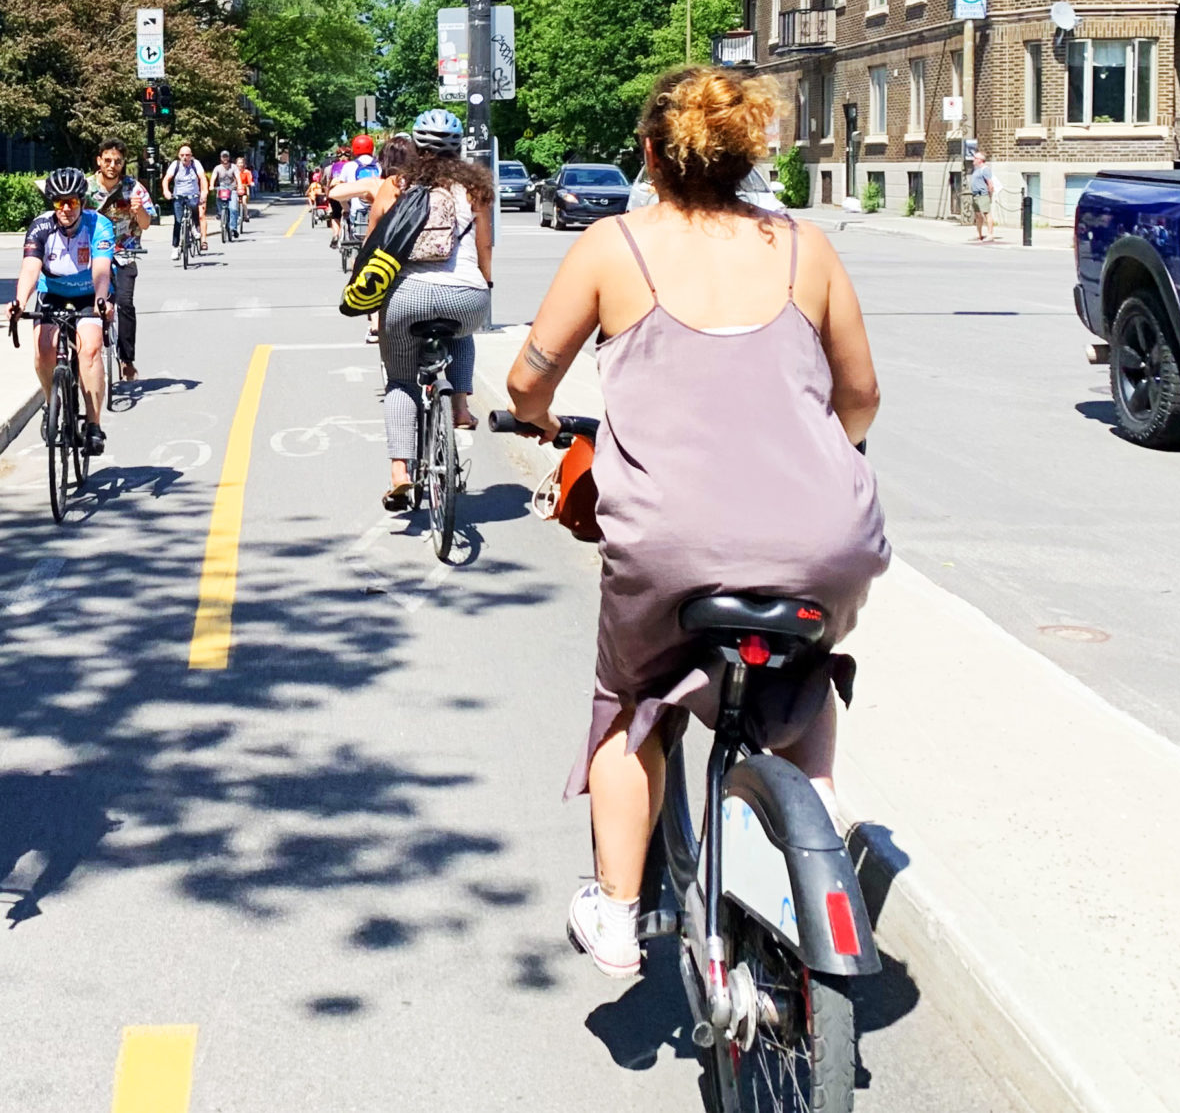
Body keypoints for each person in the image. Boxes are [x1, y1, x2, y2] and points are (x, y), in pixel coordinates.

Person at [502, 66, 887, 980]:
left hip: (672, 541)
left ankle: (617, 909)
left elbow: (527, 381)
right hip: (824, 533)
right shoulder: (807, 247)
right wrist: (814, 453)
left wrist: (545, 421)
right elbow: (861, 397)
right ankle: (818, 802)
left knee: (632, 705)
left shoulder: (611, 247)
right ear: (747, 155)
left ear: (648, 156)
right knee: (809, 659)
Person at [335, 112, 495, 509]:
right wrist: (484, 285)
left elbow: (373, 245)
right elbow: (486, 248)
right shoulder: (474, 188)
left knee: (401, 383)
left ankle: (399, 473)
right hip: (466, 295)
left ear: (416, 150)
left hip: (406, 298)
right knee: (463, 332)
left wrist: (370, 299)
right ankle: (459, 406)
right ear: (457, 150)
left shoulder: (394, 186)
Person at [15, 168, 115, 456]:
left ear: (82, 201)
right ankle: (52, 403)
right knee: (43, 350)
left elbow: (101, 269)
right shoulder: (40, 227)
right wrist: (20, 302)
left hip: (88, 293)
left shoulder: (99, 225)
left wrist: (100, 300)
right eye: (60, 203)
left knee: (90, 350)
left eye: (72, 201)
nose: (67, 209)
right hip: (53, 293)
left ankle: (93, 424)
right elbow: (31, 269)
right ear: (52, 204)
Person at [93, 141, 154, 381]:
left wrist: (138, 210)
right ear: (99, 161)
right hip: (93, 256)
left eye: (117, 161)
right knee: (89, 307)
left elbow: (146, 224)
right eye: (107, 160)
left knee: (125, 304)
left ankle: (126, 360)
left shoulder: (134, 188)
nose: (112, 165)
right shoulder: (86, 189)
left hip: (125, 254)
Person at [162, 143, 209, 255]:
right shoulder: (175, 164)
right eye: (182, 155)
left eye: (187, 155)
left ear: (191, 156)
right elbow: (166, 179)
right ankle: (175, 247)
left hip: (193, 194)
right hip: (179, 195)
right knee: (178, 221)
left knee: (194, 206)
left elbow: (202, 178)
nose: (185, 157)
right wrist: (166, 191)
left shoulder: (195, 164)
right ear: (179, 155)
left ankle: (195, 227)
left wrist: (204, 192)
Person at [211, 152, 243, 241]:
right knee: (218, 198)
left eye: (226, 157)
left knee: (233, 208)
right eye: (223, 157)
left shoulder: (233, 167)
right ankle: (221, 213)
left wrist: (239, 185)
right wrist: (211, 185)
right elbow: (213, 177)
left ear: (229, 157)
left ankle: (233, 228)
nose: (225, 158)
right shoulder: (217, 168)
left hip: (231, 189)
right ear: (221, 158)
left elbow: (238, 177)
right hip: (222, 188)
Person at [969, 153, 998, 242]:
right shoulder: (976, 170)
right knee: (978, 215)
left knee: (986, 214)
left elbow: (990, 183)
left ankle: (990, 234)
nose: (973, 159)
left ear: (980, 160)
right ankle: (979, 234)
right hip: (975, 195)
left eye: (975, 158)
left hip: (982, 194)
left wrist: (990, 193)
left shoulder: (985, 170)